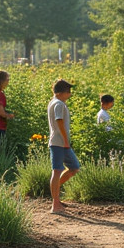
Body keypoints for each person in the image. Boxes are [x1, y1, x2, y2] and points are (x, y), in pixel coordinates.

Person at [47, 79, 80, 214]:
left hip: (61, 143)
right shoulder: (58, 104)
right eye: (68, 92)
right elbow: (59, 121)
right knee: (57, 170)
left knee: (74, 168)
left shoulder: (55, 103)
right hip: (58, 143)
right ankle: (55, 205)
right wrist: (66, 140)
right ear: (61, 92)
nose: (70, 95)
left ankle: (55, 193)